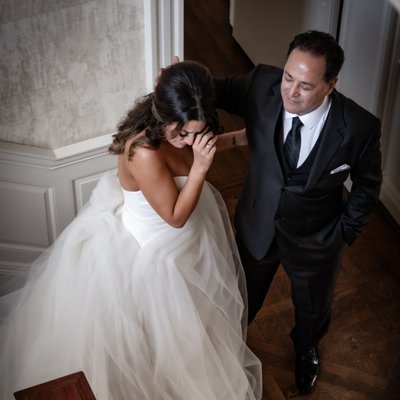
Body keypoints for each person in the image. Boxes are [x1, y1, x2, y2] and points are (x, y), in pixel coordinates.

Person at [0, 61, 262, 400]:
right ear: (162, 114)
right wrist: (199, 170)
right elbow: (175, 216)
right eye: (181, 132)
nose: (187, 140)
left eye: (195, 132)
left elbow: (200, 148)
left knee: (197, 331)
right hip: (155, 253)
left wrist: (241, 138)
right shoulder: (143, 152)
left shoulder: (185, 128)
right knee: (156, 340)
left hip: (190, 244)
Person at [210, 30, 382, 394]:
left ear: (330, 84)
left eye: (305, 85)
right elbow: (212, 89)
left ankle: (305, 348)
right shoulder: (262, 83)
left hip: (316, 239)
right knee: (241, 297)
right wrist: (179, 81)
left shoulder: (359, 128)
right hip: (257, 222)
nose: (290, 91)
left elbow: (368, 186)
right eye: (289, 77)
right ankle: (229, 347)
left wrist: (343, 232)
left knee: (312, 308)